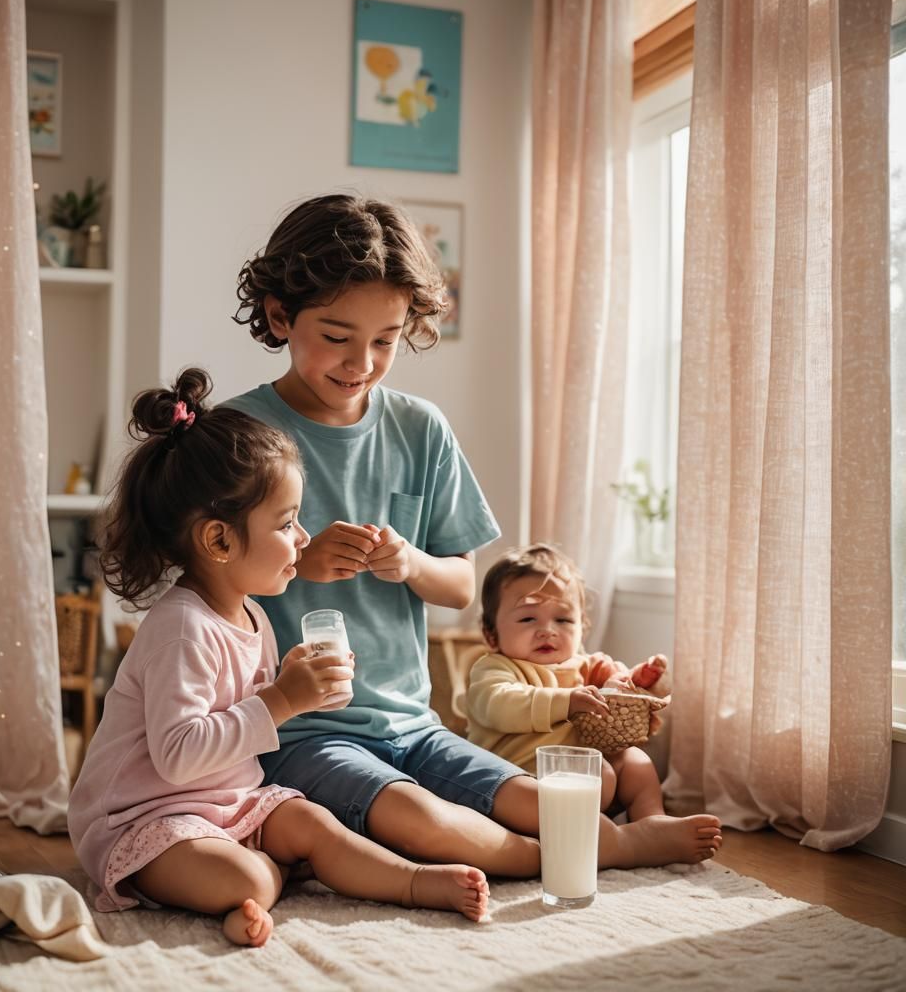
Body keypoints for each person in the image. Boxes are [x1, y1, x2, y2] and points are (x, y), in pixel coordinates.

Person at [227, 193, 722, 874]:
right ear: (281, 315)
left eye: (385, 340)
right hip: (299, 730)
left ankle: (586, 843)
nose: (361, 362)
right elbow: (201, 578)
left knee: (536, 797)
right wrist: (296, 561)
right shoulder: (241, 438)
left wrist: (410, 563)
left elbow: (462, 586)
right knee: (423, 822)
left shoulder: (419, 428)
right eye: (337, 337)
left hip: (414, 724)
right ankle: (599, 852)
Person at [67, 368, 490, 950]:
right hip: (148, 820)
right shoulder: (180, 628)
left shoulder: (254, 616)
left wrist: (293, 682)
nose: (304, 538)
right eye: (288, 523)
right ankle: (258, 885)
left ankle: (415, 883)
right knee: (249, 874)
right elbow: (177, 756)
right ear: (219, 542)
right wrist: (283, 699)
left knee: (314, 823)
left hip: (230, 804)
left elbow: (242, 722)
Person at [466, 543, 678, 827]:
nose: (547, 630)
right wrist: (565, 701)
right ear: (491, 635)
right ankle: (593, 834)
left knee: (635, 762)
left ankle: (652, 820)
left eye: (563, 619)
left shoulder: (587, 665)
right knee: (598, 772)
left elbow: (615, 687)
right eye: (528, 618)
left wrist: (636, 682)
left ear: (581, 629)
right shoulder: (494, 669)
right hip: (521, 781)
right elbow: (498, 705)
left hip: (588, 779)